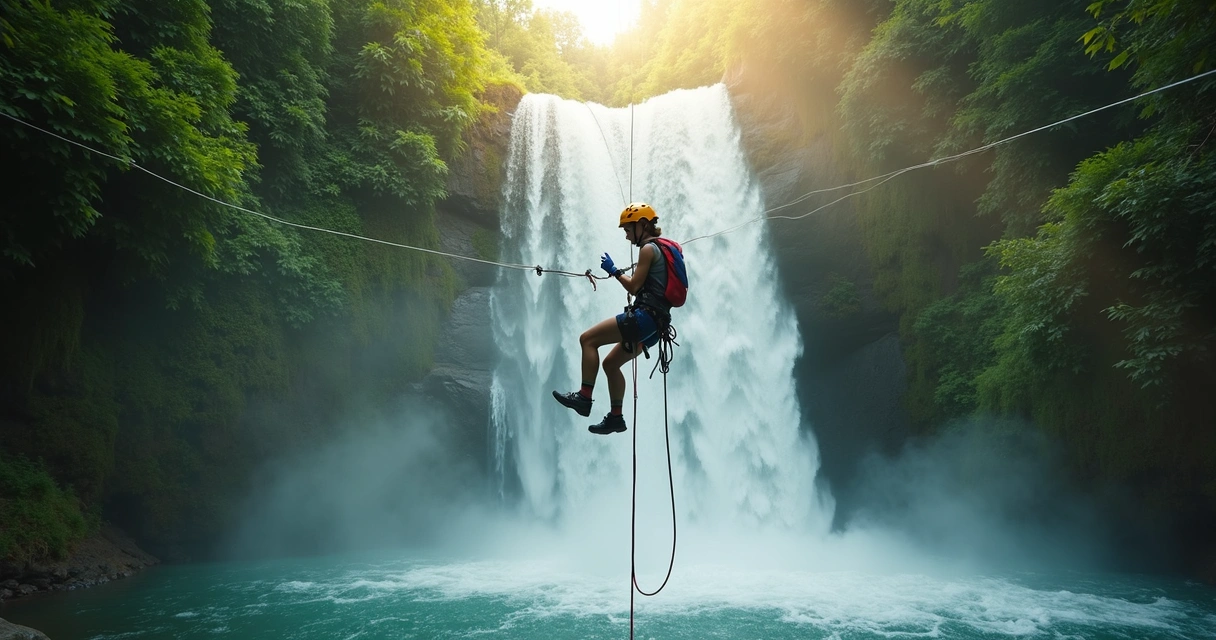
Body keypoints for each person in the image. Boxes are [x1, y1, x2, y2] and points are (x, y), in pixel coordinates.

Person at [552, 202, 676, 435]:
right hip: (656, 327)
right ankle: (616, 418)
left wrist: (614, 271)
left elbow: (634, 286)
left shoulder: (648, 249)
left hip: (644, 318)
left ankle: (584, 397)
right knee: (610, 364)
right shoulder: (665, 248)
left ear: (642, 225)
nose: (627, 236)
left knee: (588, 339)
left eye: (628, 230)